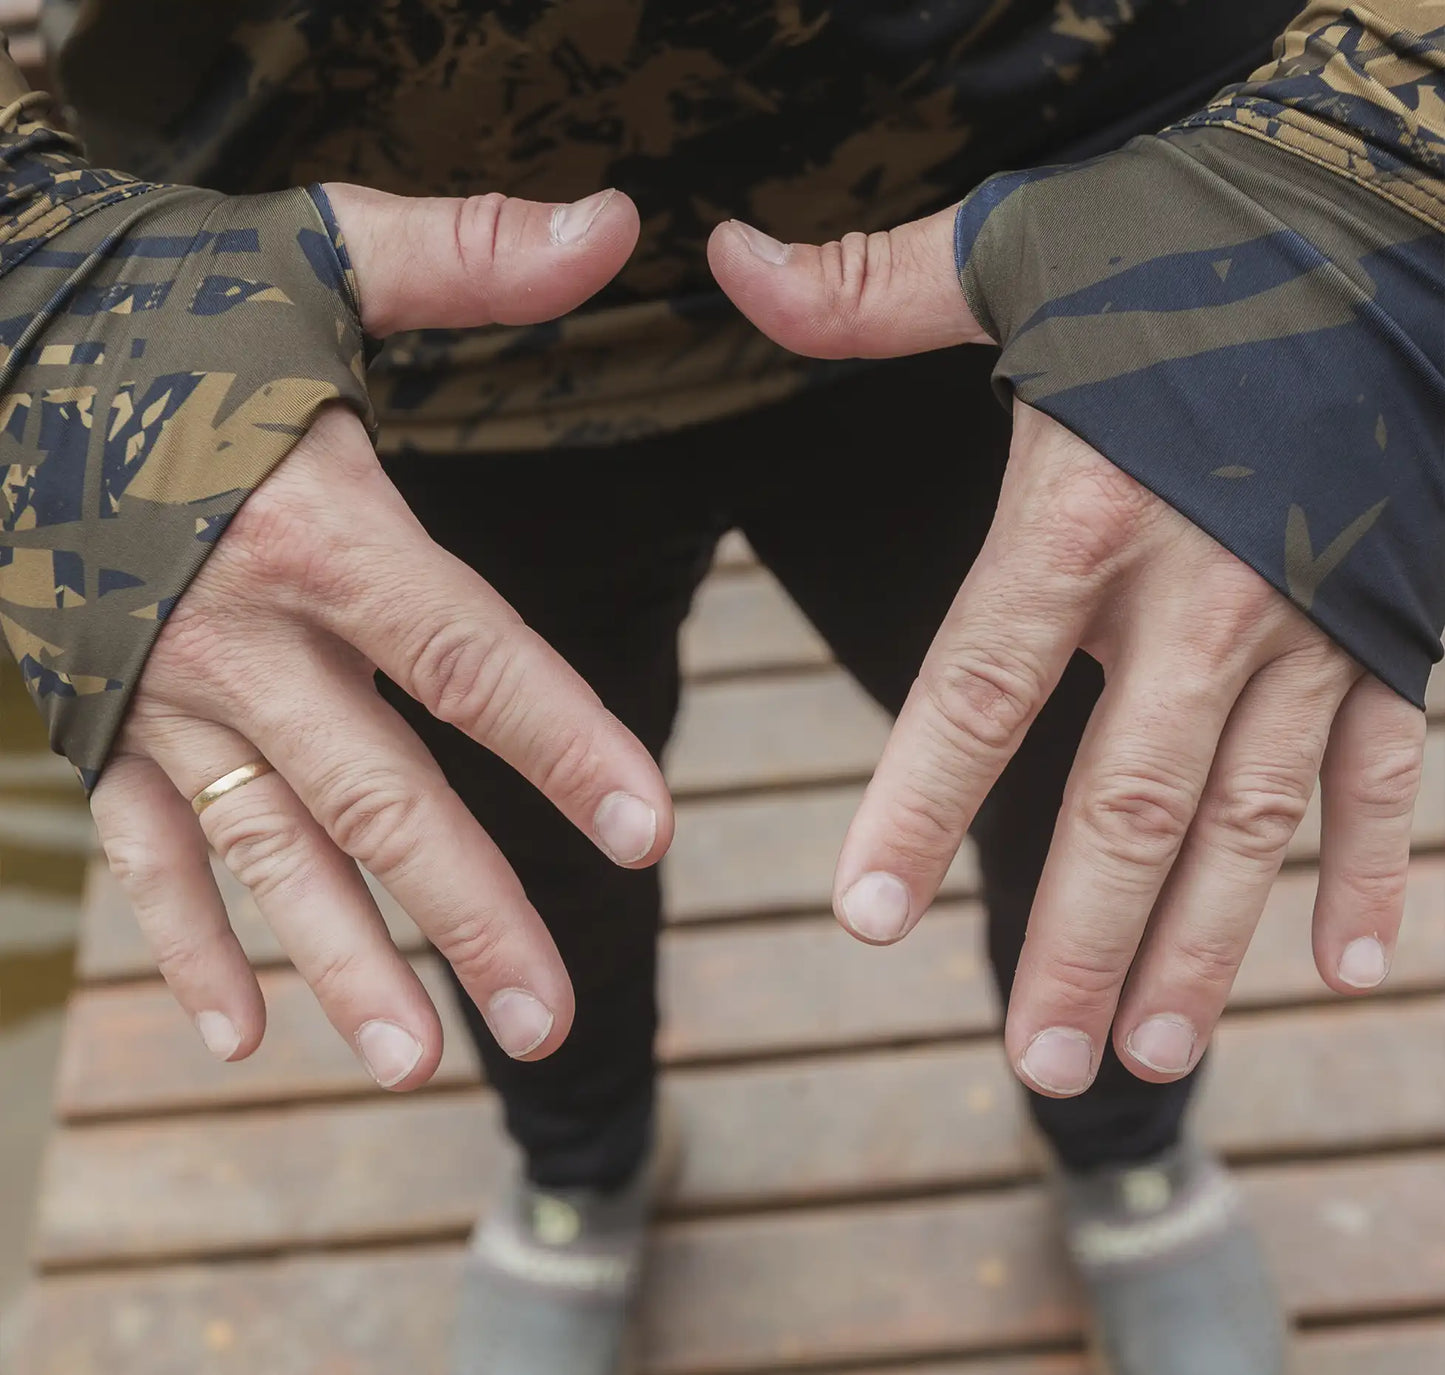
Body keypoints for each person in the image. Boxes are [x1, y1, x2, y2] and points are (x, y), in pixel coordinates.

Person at [0, 3, 1439, 1372]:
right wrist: (28, 265)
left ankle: (1121, 1143)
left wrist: (1372, 147)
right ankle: (581, 1167)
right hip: (334, 327)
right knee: (514, 849)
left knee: (1102, 785)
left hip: (1080, 223)